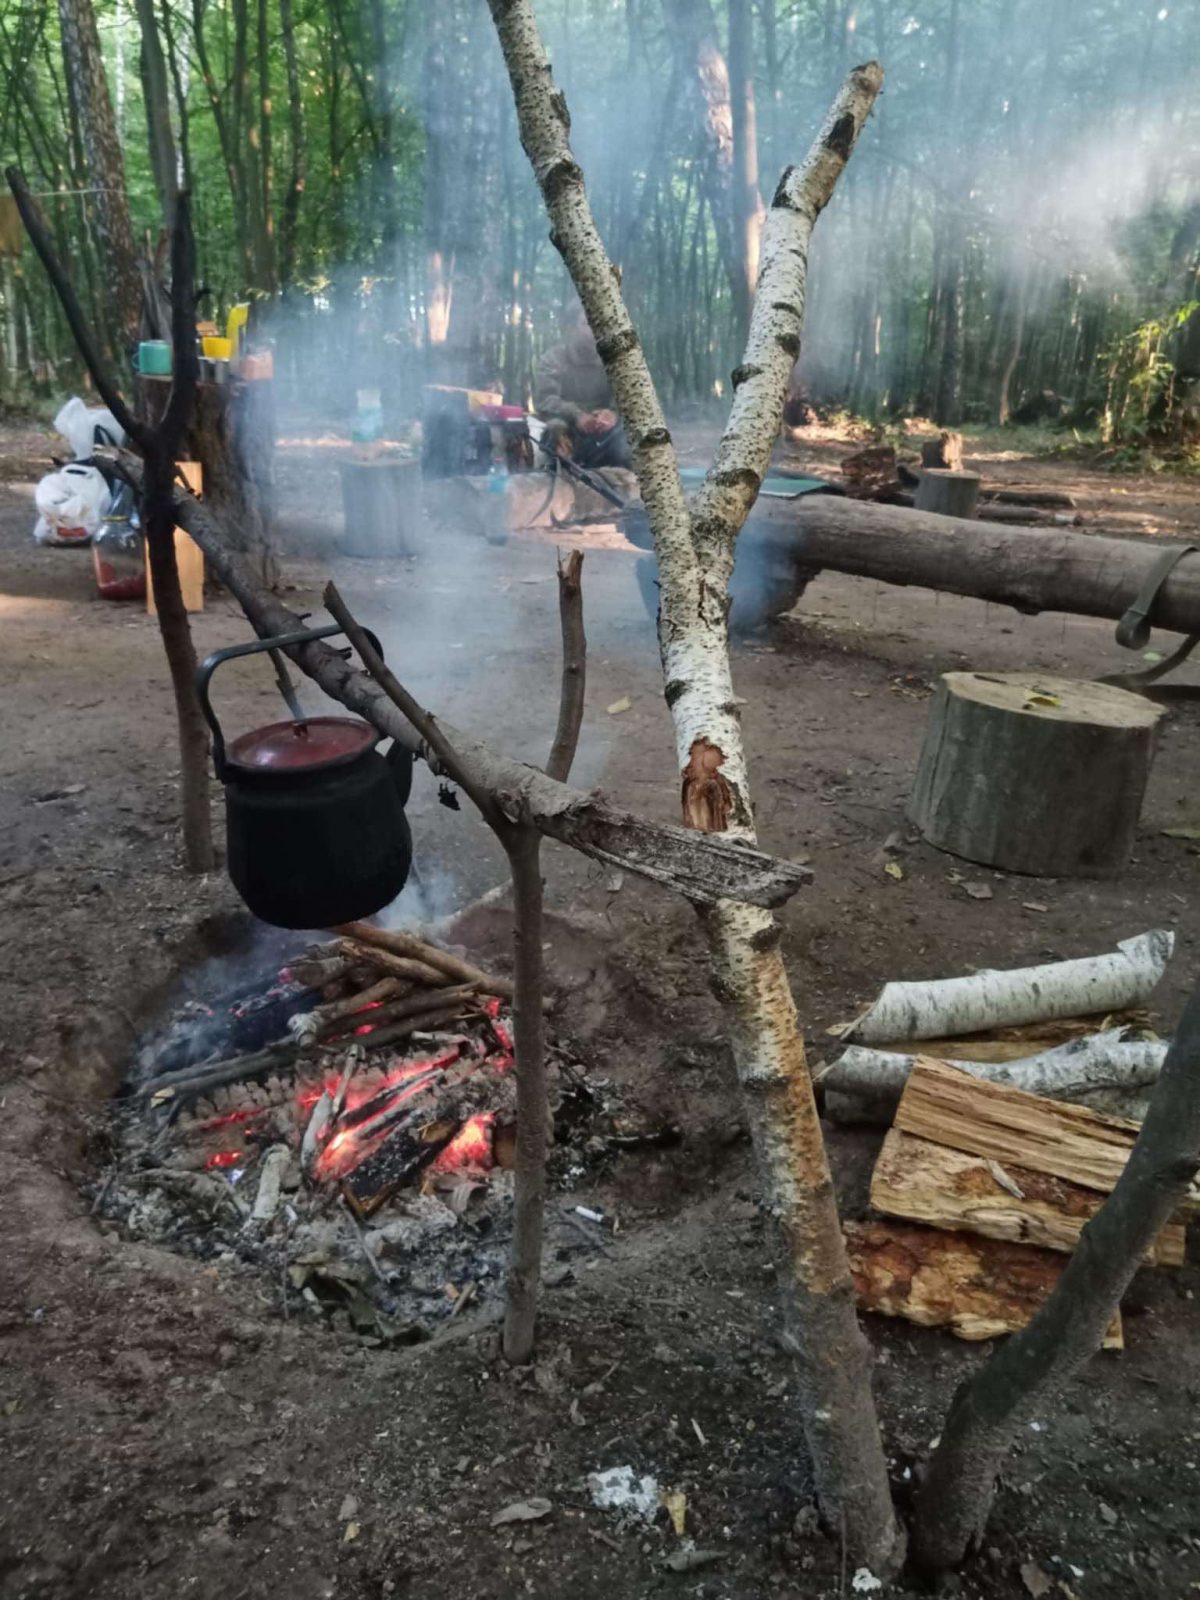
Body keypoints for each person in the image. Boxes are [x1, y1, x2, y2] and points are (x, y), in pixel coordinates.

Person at [533, 307, 633, 470]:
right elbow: (545, 401)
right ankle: (561, 478)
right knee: (556, 429)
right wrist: (576, 415)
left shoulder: (614, 360)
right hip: (570, 428)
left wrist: (612, 414)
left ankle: (627, 484)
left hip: (606, 432)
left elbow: (627, 397)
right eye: (587, 323)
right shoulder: (553, 359)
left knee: (632, 433)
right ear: (572, 328)